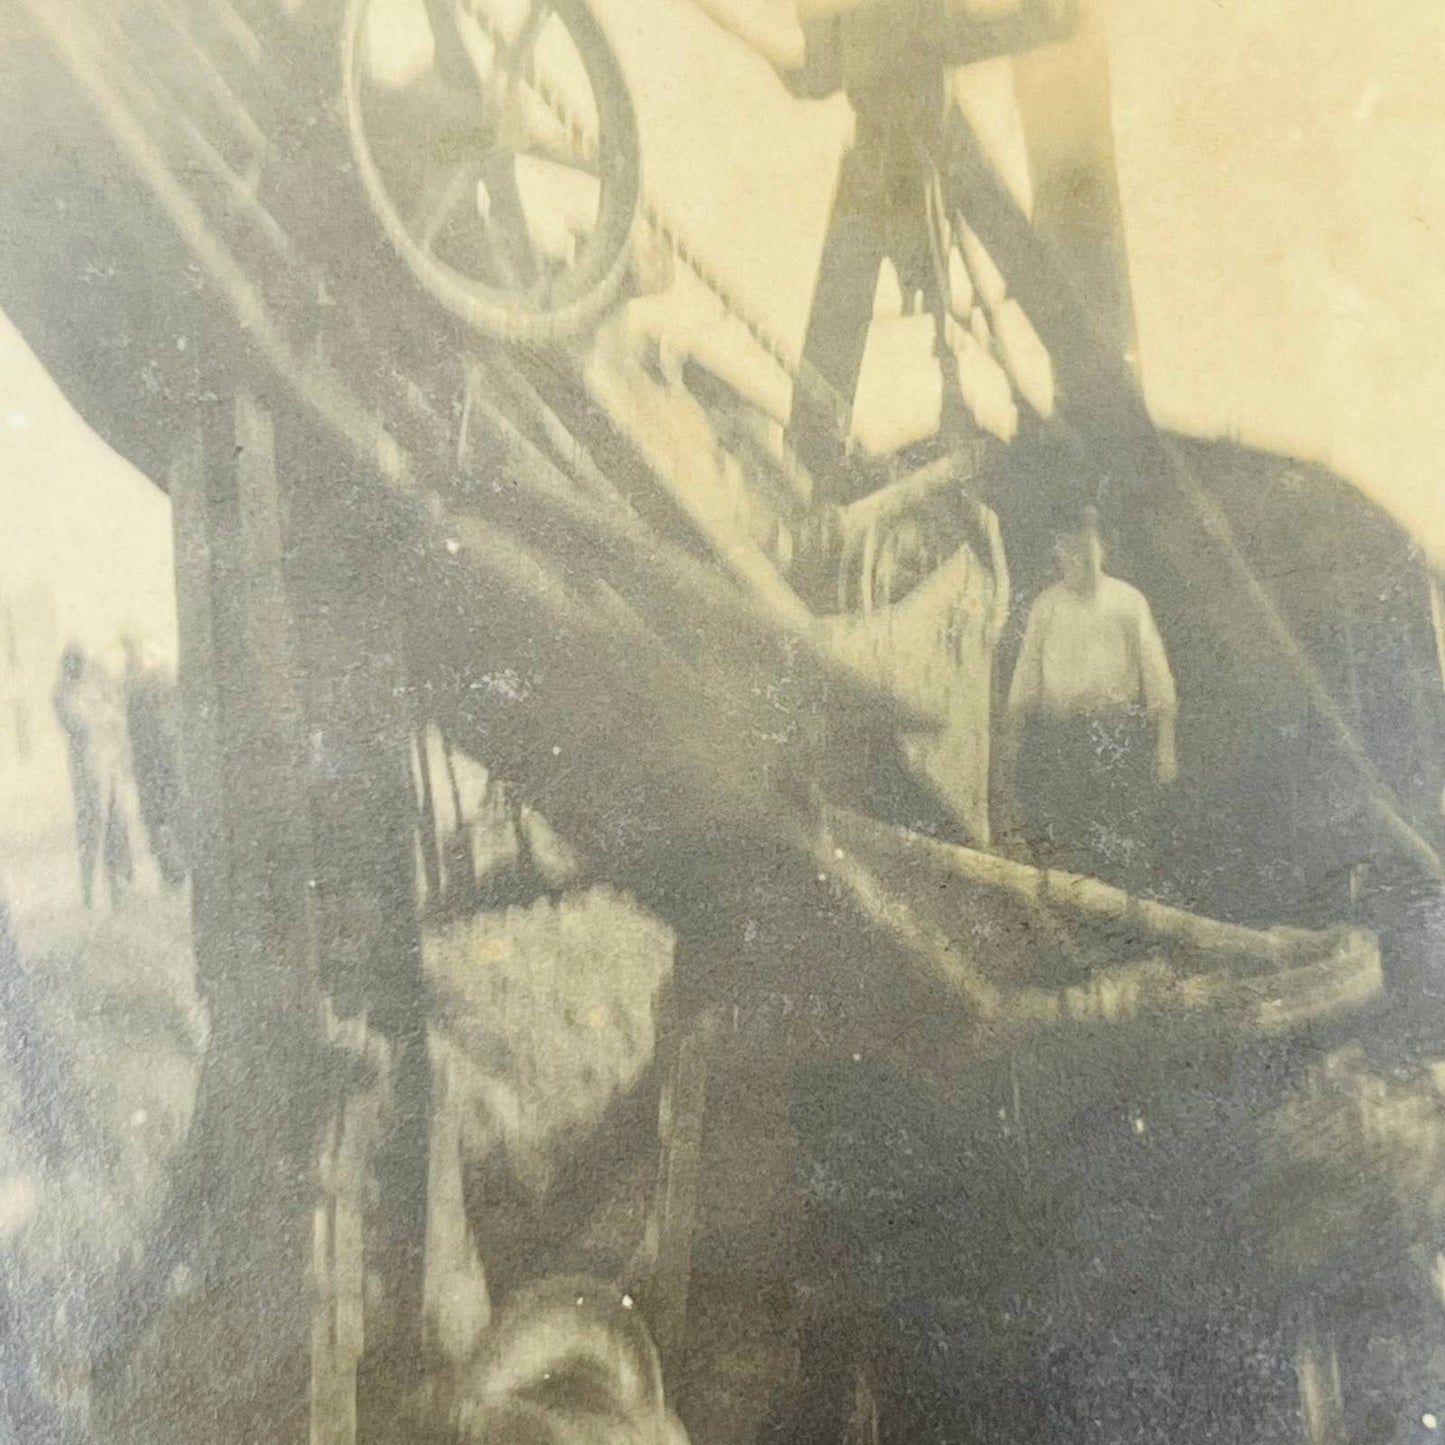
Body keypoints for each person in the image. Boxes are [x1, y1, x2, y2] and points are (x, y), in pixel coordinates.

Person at [689, 0, 1075, 494]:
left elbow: (805, 63)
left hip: (906, 147)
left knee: (830, 379)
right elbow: (807, 63)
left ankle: (810, 482)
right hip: (896, 145)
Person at [1001, 503, 1177, 884]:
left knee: (1117, 835)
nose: (1073, 557)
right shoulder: (1047, 605)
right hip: (1060, 739)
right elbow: (1026, 673)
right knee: (1063, 835)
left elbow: (1157, 675)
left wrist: (1165, 746)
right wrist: (1013, 738)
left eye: (1084, 546)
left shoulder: (1129, 602)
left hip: (1115, 739)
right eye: (1065, 548)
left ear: (1103, 549)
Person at [119, 633, 186, 890]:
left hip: (157, 759)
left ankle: (173, 869)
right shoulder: (151, 679)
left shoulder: (150, 679)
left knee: (164, 816)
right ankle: (171, 871)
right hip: (153, 760)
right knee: (159, 817)